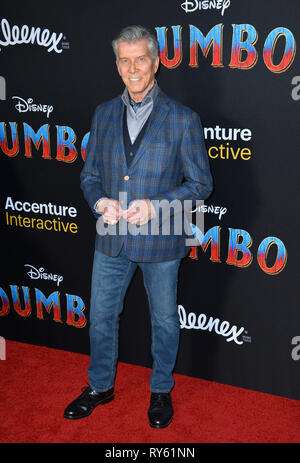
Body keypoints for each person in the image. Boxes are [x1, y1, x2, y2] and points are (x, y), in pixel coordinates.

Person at [64, 25, 213, 428]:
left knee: (163, 321)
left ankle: (161, 389)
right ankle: (100, 386)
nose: (133, 68)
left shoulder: (183, 119)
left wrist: (156, 207)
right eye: (125, 60)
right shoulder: (103, 113)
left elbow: (201, 185)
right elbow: (89, 175)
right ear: (116, 66)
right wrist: (98, 201)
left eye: (140, 59)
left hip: (161, 241)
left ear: (156, 62)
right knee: (100, 318)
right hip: (111, 237)